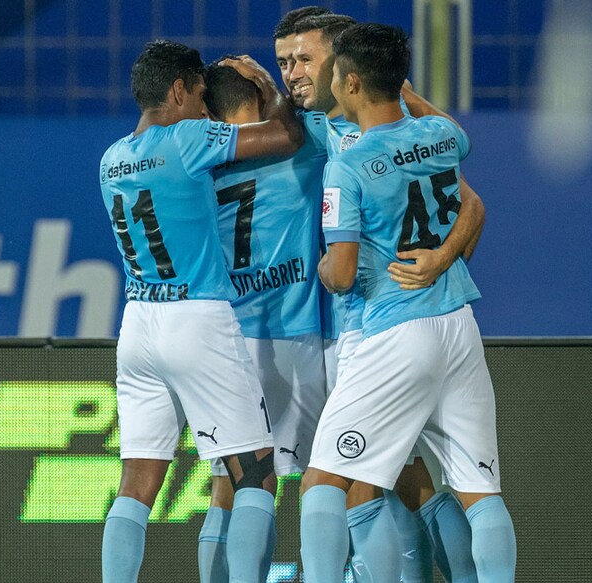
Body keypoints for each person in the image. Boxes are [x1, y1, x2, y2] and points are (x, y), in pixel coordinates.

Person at [301, 23, 517, 583]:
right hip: (458, 325)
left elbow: (343, 275)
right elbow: (449, 133)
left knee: (322, 481)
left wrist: (321, 268)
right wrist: (400, 87)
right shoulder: (443, 137)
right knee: (481, 490)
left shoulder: (345, 167)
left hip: (397, 328)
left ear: (349, 83)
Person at [97, 39, 304, 583]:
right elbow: (285, 137)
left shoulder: (112, 158)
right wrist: (266, 88)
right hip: (197, 319)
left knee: (138, 481)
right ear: (178, 90)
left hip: (138, 323)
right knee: (256, 475)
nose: (205, 106)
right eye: (200, 94)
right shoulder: (188, 138)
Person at [195, 60, 331, 583]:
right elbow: (311, 123)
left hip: (227, 343)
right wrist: (278, 92)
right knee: (333, 479)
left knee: (229, 486)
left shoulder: (198, 159)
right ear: (257, 99)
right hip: (293, 337)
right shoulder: (302, 145)